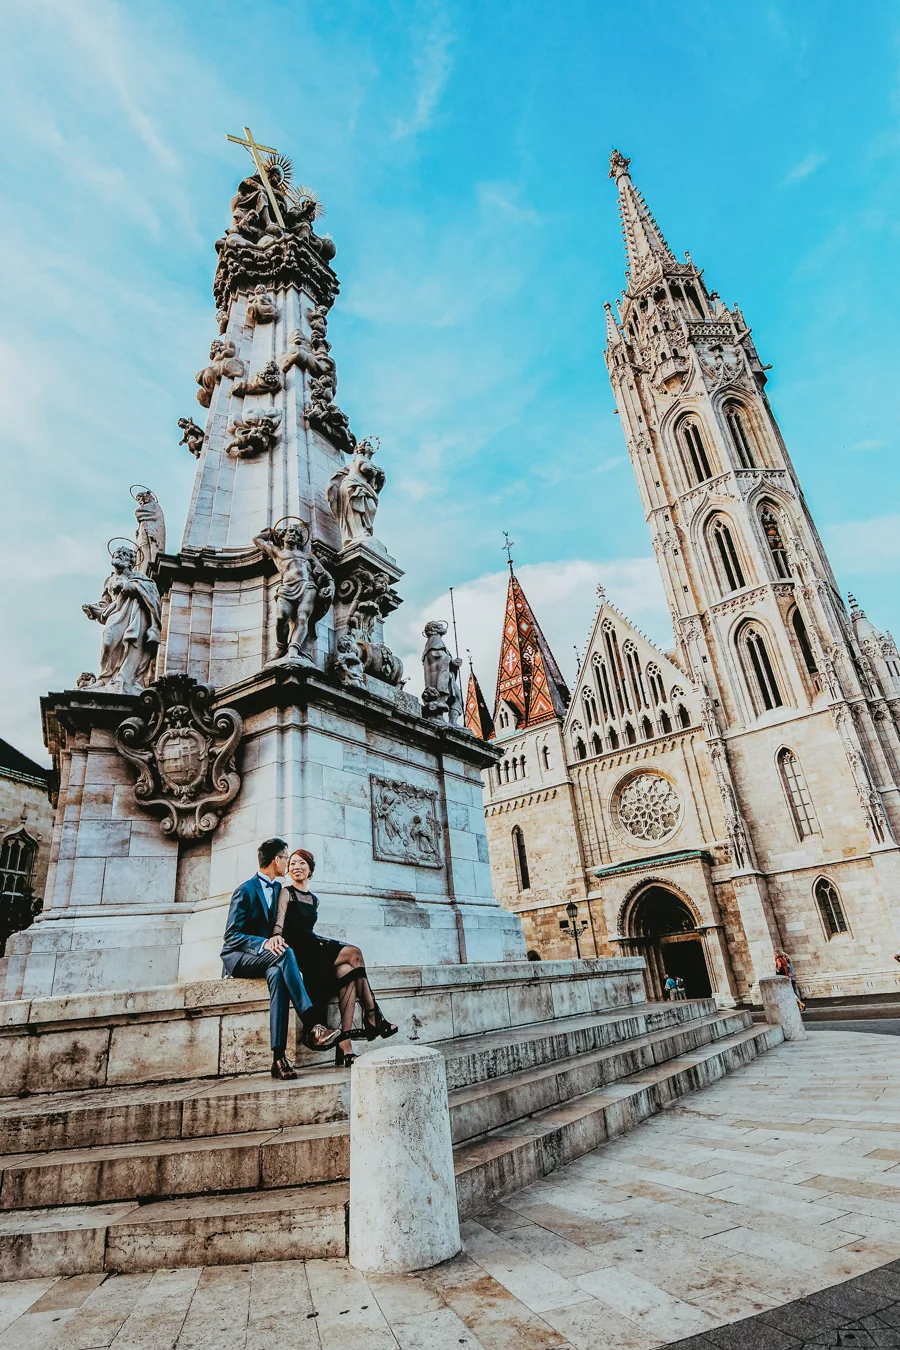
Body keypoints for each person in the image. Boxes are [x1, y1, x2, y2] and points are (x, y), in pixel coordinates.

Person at [221, 838, 341, 1079]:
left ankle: (278, 1058)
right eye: (286, 858)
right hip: (240, 957)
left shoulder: (279, 890)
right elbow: (231, 936)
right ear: (276, 860)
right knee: (285, 953)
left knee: (278, 974)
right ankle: (312, 1022)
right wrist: (264, 943)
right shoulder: (245, 890)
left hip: (270, 959)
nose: (288, 863)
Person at [273, 848, 398, 1067]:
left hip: (314, 948)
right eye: (292, 863)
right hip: (301, 952)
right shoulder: (287, 892)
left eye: (302, 863)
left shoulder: (314, 900)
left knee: (347, 971)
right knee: (355, 952)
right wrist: (275, 936)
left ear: (310, 869)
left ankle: (345, 1046)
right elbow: (280, 921)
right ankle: (373, 1015)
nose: (296, 867)